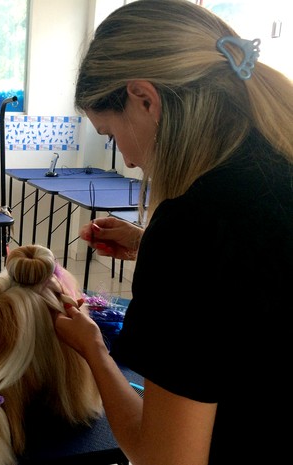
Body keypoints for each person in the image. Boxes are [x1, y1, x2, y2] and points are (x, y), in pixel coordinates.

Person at [53, 1, 293, 464]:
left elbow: (165, 458)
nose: (124, 158)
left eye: (109, 133)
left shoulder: (195, 225)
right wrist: (148, 244)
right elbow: (261, 278)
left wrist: (93, 350)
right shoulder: (275, 168)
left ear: (145, 98)